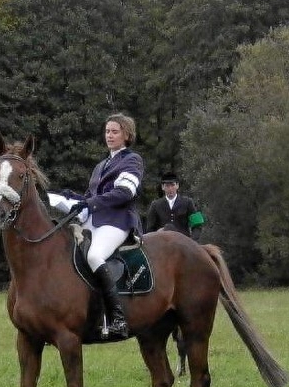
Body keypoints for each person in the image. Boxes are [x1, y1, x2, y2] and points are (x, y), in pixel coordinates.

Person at [47, 113, 145, 338]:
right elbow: (90, 196)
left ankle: (118, 318)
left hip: (117, 221)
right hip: (94, 221)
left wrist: (89, 203)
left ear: (126, 135)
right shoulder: (102, 165)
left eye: (115, 131)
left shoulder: (132, 160)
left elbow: (124, 192)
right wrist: (69, 196)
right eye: (107, 131)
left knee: (94, 256)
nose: (109, 135)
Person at [145, 171, 203, 241]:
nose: (170, 189)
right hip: (163, 244)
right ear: (163, 187)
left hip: (183, 244)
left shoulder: (188, 202)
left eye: (172, 185)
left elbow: (197, 224)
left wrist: (191, 241)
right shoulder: (155, 205)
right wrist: (157, 234)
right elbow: (149, 229)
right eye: (167, 186)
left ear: (177, 185)